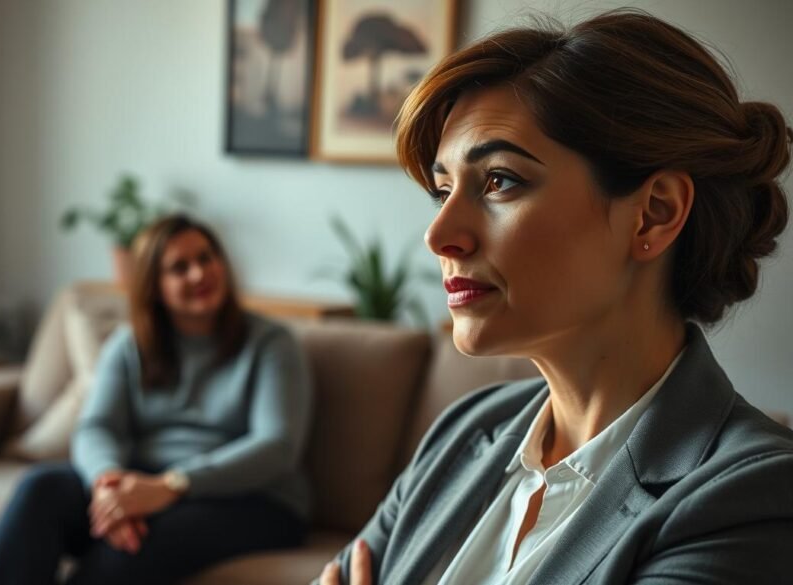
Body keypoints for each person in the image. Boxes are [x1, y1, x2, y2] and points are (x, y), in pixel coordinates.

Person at [318, 9, 792, 585]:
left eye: (499, 180)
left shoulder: (753, 493)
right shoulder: (465, 431)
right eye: (443, 190)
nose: (439, 234)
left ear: (655, 212)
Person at [0, 214, 313, 585]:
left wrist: (171, 486)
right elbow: (96, 427)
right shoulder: (128, 345)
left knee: (136, 546)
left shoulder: (271, 344)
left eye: (206, 258)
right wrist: (108, 488)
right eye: (179, 268)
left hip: (255, 500)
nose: (199, 274)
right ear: (153, 286)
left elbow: (276, 447)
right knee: (40, 490)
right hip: (145, 483)